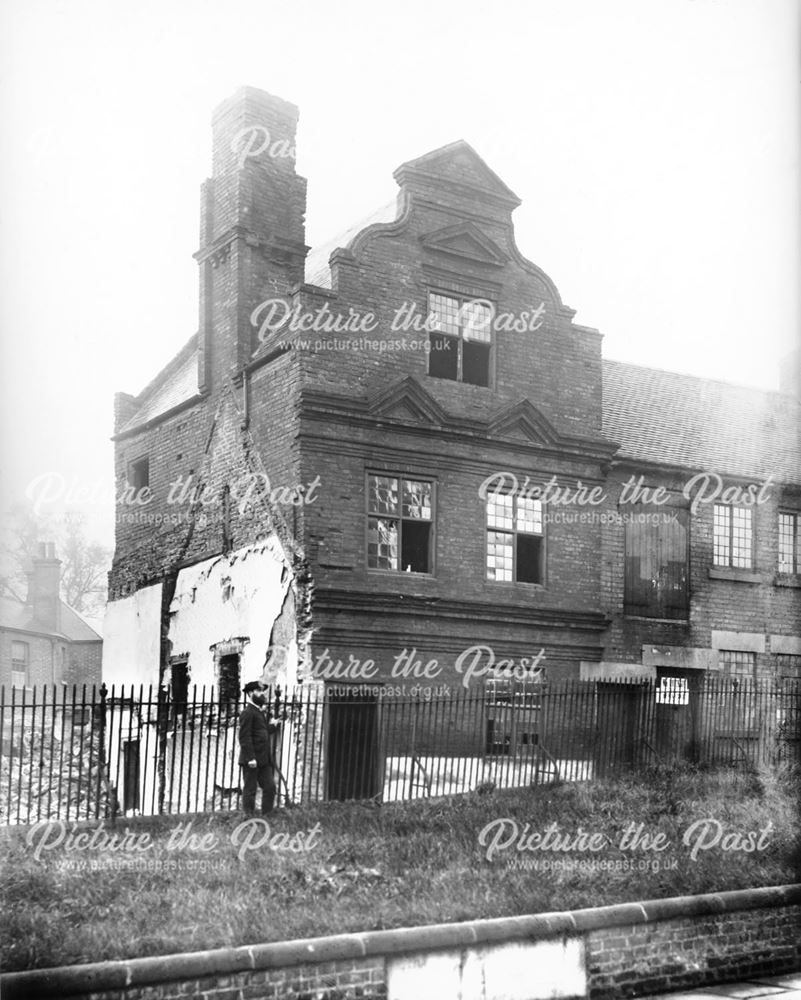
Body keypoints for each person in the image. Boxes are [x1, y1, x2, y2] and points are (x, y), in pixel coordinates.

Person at [238, 681, 277, 816]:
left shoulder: (258, 711)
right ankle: (248, 817)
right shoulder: (248, 712)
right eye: (259, 691)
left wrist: (274, 726)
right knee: (250, 790)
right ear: (250, 693)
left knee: (270, 787)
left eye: (262, 691)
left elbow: (262, 731)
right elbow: (244, 737)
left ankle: (267, 815)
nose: (262, 694)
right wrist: (250, 758)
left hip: (263, 759)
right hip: (252, 760)